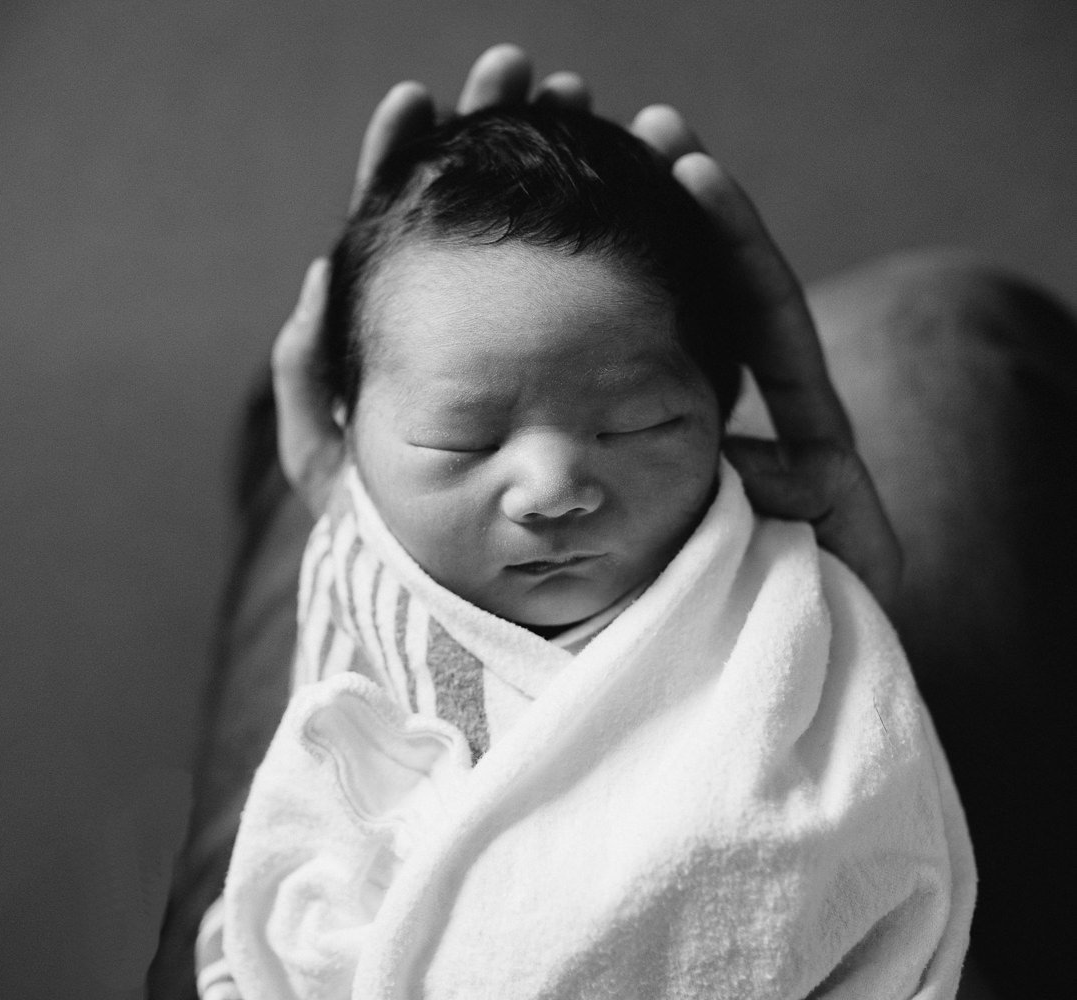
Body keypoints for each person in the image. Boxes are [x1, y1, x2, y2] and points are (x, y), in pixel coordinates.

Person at [148, 45, 1077, 1000]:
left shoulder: (777, 605)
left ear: (721, 413)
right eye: (463, 439)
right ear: (349, 437)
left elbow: (848, 847)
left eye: (638, 422)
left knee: (949, 334)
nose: (553, 488)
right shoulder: (360, 562)